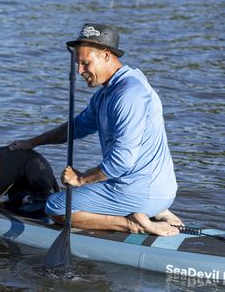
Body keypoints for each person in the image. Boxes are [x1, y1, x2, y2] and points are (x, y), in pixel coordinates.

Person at [10, 23, 183, 236]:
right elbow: (74, 129)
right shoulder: (108, 93)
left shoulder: (129, 95)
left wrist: (81, 180)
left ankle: (133, 223)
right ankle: (156, 210)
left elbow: (121, 161)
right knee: (89, 186)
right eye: (78, 64)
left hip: (141, 191)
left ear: (106, 55)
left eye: (85, 63)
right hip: (157, 190)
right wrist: (33, 143)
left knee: (56, 206)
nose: (80, 71)